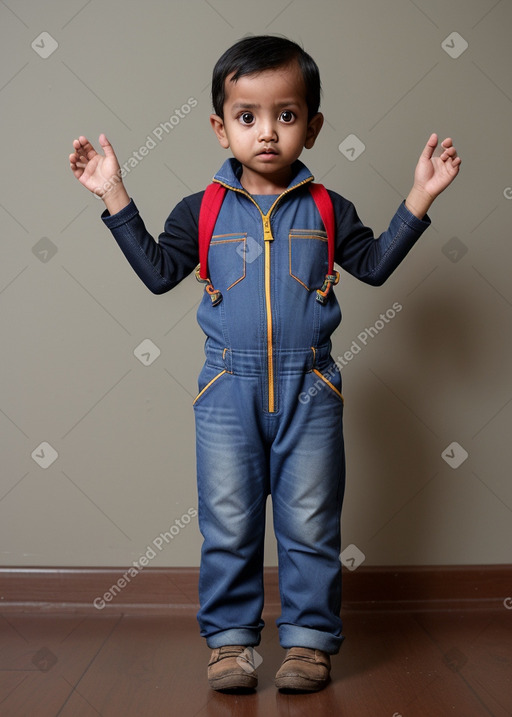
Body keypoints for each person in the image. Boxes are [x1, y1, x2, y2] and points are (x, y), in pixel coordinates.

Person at [69, 35, 461, 693]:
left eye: (287, 114)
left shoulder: (330, 208)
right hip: (227, 386)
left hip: (312, 385)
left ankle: (309, 643)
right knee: (228, 520)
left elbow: (373, 264)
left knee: (310, 521)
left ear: (313, 125)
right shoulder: (203, 210)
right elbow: (161, 274)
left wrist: (420, 196)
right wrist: (114, 195)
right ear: (221, 128)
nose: (269, 132)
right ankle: (230, 644)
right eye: (248, 116)